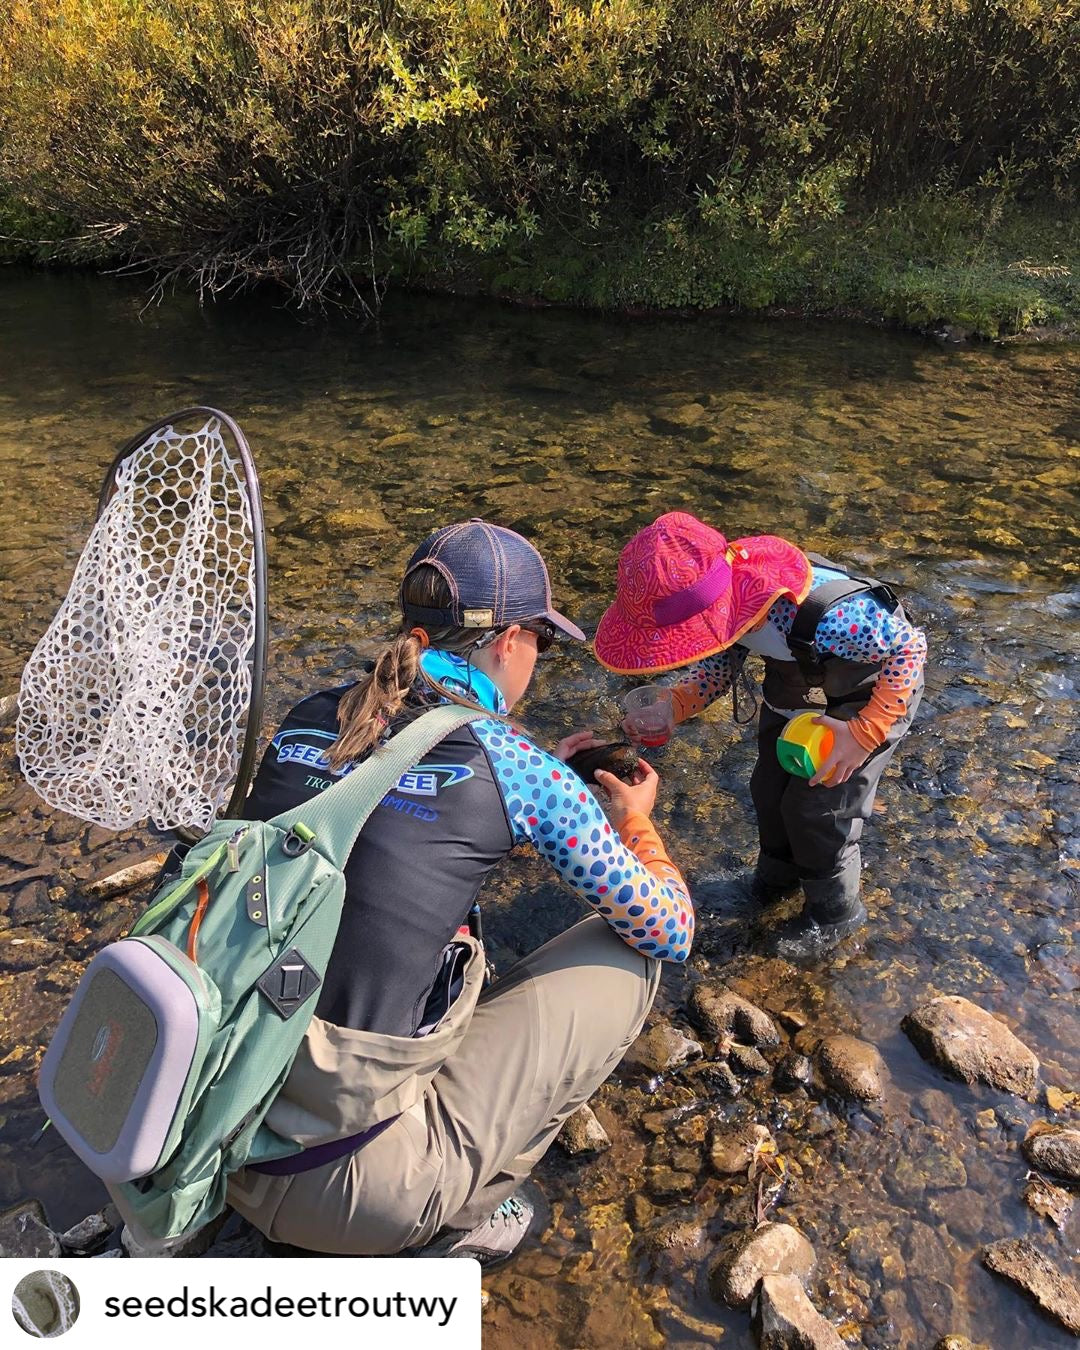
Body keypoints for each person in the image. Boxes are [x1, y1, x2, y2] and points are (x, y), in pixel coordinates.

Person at [225, 519, 694, 1263]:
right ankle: (456, 1217)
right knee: (633, 958)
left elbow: (395, 803)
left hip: (215, 1124)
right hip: (348, 1195)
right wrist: (637, 826)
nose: (536, 658)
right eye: (540, 639)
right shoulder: (516, 769)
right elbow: (669, 926)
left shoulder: (310, 714)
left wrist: (540, 776)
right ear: (509, 640)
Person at [594, 512, 925, 960]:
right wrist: (675, 704)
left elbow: (909, 648)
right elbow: (719, 663)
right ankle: (776, 882)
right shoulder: (728, 605)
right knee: (768, 790)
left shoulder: (830, 616)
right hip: (797, 688)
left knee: (818, 810)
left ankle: (835, 915)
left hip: (870, 696)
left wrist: (865, 732)